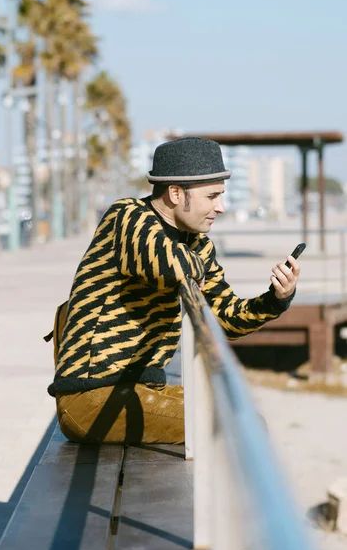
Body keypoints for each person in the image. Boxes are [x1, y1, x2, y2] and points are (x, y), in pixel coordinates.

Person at [47, 137, 300, 444]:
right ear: (176, 194)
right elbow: (166, 264)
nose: (221, 207)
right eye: (212, 196)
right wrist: (197, 268)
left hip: (138, 389)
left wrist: (277, 298)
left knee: (245, 414)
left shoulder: (196, 243)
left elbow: (225, 319)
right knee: (243, 426)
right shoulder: (126, 217)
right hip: (91, 397)